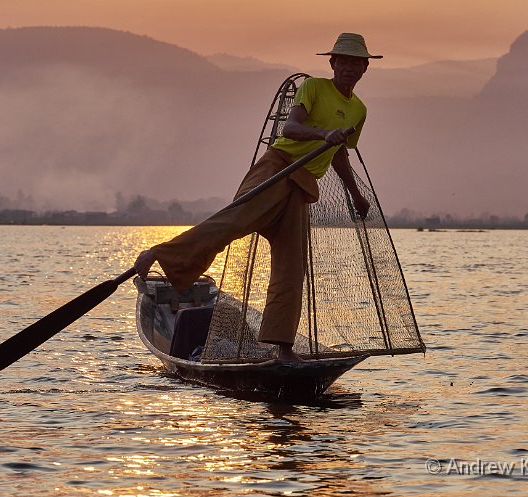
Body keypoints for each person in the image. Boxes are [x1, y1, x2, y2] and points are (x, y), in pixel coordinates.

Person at [135, 33, 380, 361]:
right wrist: (323, 134)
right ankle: (159, 253)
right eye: (343, 61)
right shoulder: (314, 88)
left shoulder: (358, 110)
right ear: (332, 63)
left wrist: (356, 195)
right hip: (277, 168)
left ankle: (283, 348)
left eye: (356, 62)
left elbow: (339, 155)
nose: (349, 68)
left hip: (303, 186)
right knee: (231, 224)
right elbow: (289, 130)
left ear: (365, 67)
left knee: (292, 268)